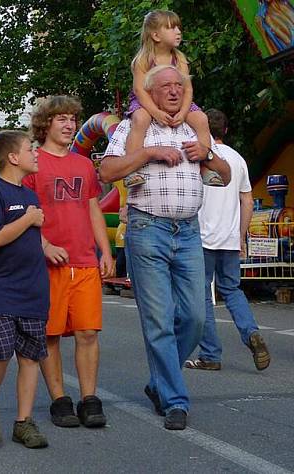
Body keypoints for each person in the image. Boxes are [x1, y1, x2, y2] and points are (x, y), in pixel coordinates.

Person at [99, 65, 231, 430]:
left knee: (195, 317)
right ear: (150, 94)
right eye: (165, 87)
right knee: (158, 320)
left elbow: (225, 175)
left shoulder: (195, 126)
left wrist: (205, 155)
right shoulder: (133, 126)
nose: (174, 92)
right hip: (147, 230)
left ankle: (159, 381)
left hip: (188, 232)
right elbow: (107, 172)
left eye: (179, 86)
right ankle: (174, 400)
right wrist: (149, 153)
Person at [22, 96, 113, 428]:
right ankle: (59, 400)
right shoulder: (33, 163)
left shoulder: (84, 165)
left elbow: (93, 208)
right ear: (46, 124)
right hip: (48, 264)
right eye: (61, 119)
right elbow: (25, 212)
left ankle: (89, 399)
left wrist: (105, 250)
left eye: (73, 119)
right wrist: (44, 244)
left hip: (85, 260)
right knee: (51, 334)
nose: (69, 125)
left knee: (88, 331)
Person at [0, 130, 49, 449]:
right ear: (13, 158)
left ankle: (24, 421)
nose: (36, 154)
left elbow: (32, 238)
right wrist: (29, 219)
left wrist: (47, 243)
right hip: (1, 290)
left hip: (33, 289)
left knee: (30, 357)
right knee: (2, 350)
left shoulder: (31, 196)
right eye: (30, 149)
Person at [185, 109, 271, 372]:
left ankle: (210, 354)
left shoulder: (198, 157)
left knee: (202, 295)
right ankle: (251, 332)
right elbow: (247, 201)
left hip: (201, 237)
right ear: (227, 130)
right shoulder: (238, 159)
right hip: (230, 238)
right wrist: (241, 236)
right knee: (232, 290)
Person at [123, 10, 223, 189]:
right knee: (140, 119)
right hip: (146, 100)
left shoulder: (180, 58)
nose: (178, 31)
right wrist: (155, 112)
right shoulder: (144, 59)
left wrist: (184, 112)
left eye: (178, 27)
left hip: (179, 100)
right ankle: (132, 168)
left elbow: (187, 88)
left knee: (201, 119)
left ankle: (205, 167)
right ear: (155, 35)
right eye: (171, 28)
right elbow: (139, 89)